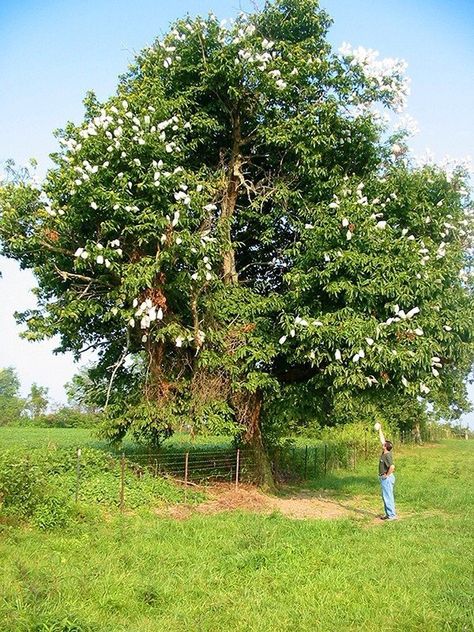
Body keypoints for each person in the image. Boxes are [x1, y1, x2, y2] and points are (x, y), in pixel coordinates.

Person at [375, 423, 397, 520]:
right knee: (385, 496)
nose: (382, 444)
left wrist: (387, 475)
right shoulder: (385, 452)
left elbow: (392, 467)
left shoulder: (387, 455)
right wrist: (380, 430)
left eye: (384, 444)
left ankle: (392, 515)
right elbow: (382, 439)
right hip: (384, 477)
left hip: (386, 478)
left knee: (388, 496)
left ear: (385, 447)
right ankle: (388, 514)